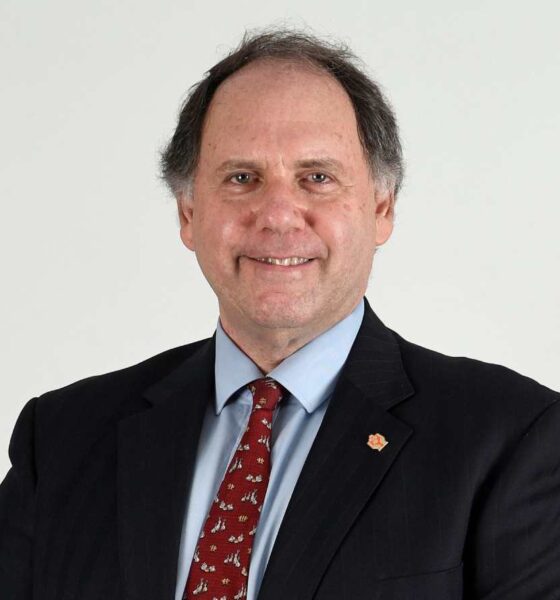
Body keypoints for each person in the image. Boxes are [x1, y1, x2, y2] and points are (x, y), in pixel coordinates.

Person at [0, 28, 559, 600]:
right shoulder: (62, 440)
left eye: (317, 178)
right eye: (242, 178)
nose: (278, 215)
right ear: (188, 212)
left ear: (381, 207)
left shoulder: (511, 438)